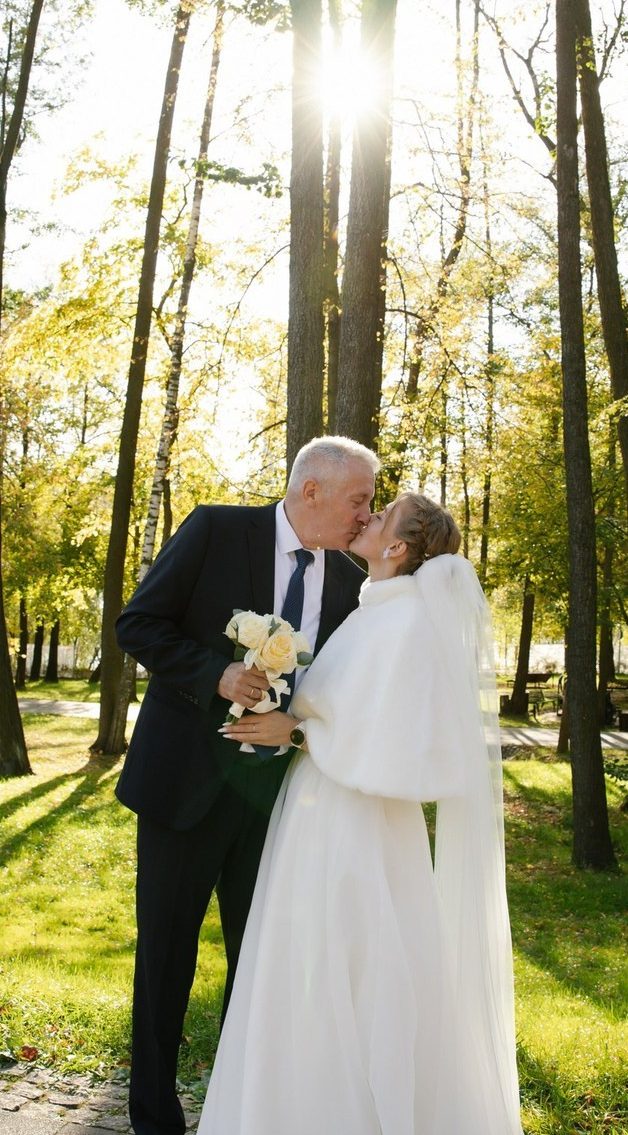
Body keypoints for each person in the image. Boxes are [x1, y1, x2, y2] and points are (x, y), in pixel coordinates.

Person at [199, 493, 525, 1135]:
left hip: (355, 830)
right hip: (323, 816)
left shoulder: (404, 624)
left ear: (398, 547)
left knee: (349, 971)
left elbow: (396, 744)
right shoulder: (372, 612)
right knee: (313, 971)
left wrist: (296, 732)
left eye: (381, 517)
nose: (367, 520)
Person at [114, 436, 380, 1135]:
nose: (366, 515)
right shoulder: (215, 528)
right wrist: (215, 676)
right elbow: (138, 624)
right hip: (182, 790)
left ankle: (239, 1114)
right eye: (360, 499)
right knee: (163, 962)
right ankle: (153, 1119)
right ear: (312, 490)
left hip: (277, 805)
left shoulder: (354, 587)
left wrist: (292, 726)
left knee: (259, 969)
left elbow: (338, 697)